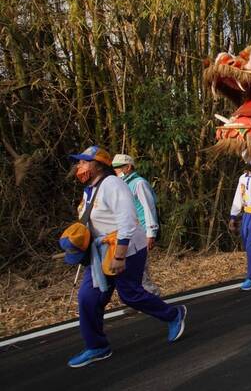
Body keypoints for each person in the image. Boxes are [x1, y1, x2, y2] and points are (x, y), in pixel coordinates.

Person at [64, 146, 186, 368]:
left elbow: (127, 221)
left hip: (126, 249)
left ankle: (173, 314)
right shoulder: (89, 190)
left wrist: (119, 256)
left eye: (83, 162)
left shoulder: (113, 184)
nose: (79, 167)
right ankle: (97, 346)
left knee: (130, 294)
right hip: (100, 253)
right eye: (79, 162)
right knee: (88, 298)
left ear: (98, 165)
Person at [111, 154, 161, 296]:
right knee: (131, 270)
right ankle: (140, 300)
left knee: (140, 269)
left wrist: (151, 233)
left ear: (128, 167)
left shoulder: (139, 183)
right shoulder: (121, 185)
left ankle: (152, 297)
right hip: (129, 233)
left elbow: (148, 208)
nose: (115, 171)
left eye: (118, 168)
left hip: (141, 232)